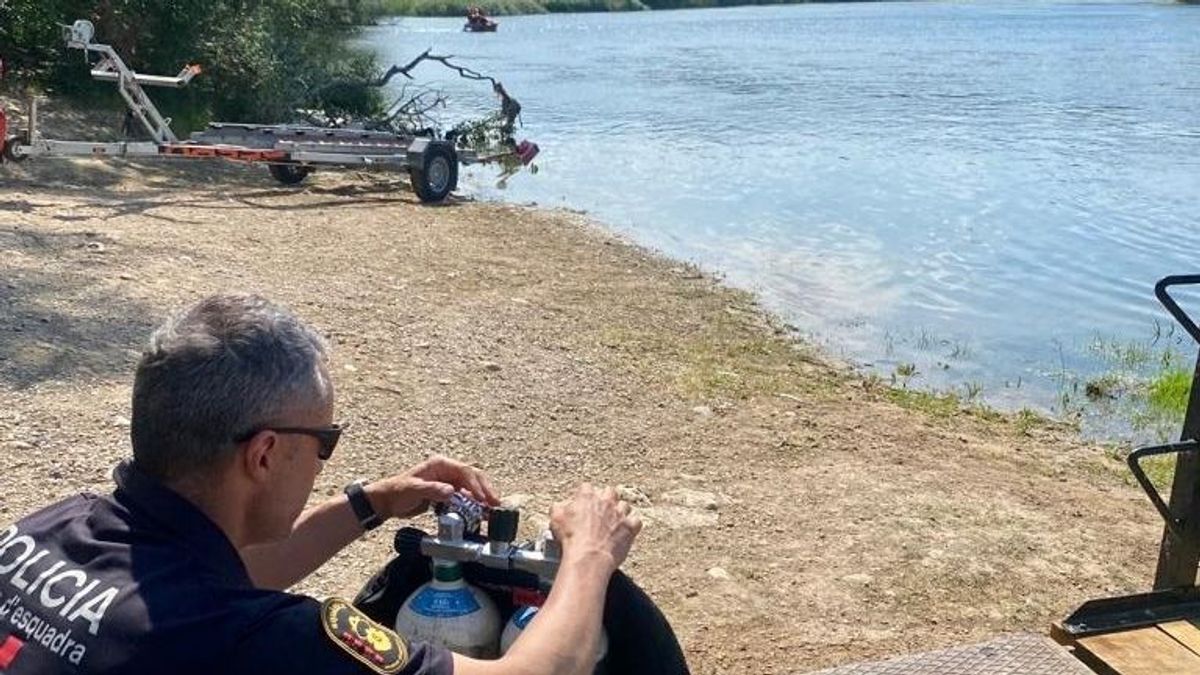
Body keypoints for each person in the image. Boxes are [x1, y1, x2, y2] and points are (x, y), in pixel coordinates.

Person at [0, 294, 641, 675]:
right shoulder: (256, 642)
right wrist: (589, 553)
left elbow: (230, 579)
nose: (324, 464)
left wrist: (370, 504)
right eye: (324, 444)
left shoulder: (51, 529)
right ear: (266, 454)